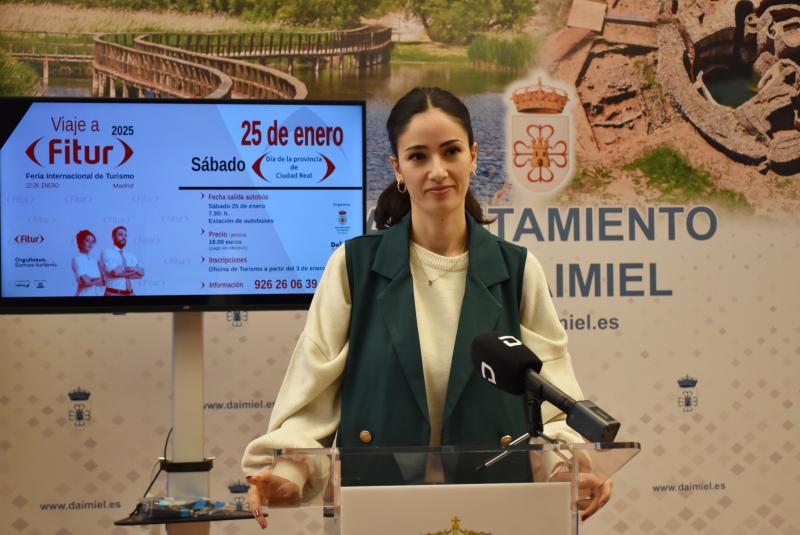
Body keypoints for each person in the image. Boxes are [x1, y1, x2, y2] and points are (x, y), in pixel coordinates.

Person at [242, 87, 612, 529]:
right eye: (418, 157)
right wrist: (287, 474)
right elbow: (311, 399)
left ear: (473, 156)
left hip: (497, 513)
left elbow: (552, 401)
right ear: (397, 168)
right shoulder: (354, 267)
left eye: (451, 151)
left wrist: (571, 469)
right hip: (381, 513)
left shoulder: (516, 269)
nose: (438, 171)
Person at [99, 226, 144, 296]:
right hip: (114, 293)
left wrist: (131, 269)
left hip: (131, 294)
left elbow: (142, 273)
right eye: (120, 235)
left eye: (125, 235)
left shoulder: (130, 255)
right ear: (113, 237)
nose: (124, 237)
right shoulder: (107, 252)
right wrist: (135, 271)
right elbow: (115, 272)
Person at [71, 229, 104, 296]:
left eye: (93, 241)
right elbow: (85, 282)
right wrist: (98, 280)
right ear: (80, 242)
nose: (91, 244)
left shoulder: (95, 260)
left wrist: (91, 280)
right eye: (87, 240)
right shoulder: (77, 259)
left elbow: (104, 281)